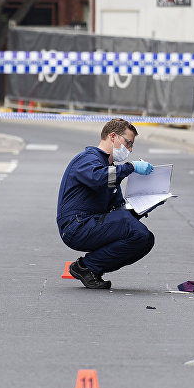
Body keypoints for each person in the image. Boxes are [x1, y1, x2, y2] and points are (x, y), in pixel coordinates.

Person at [56, 118, 156, 289]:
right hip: (76, 226)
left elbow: (118, 211)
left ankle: (90, 268)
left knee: (144, 239)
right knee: (137, 231)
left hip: (91, 223)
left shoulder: (109, 168)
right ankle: (87, 267)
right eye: (128, 143)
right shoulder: (88, 159)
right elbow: (98, 178)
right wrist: (131, 167)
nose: (130, 150)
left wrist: (145, 205)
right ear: (113, 136)